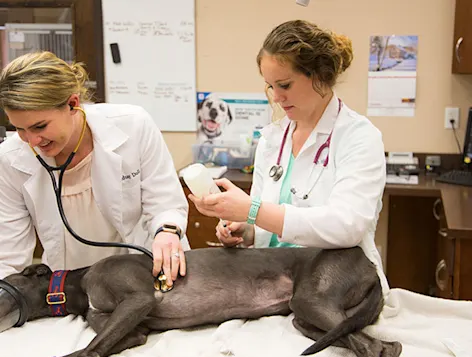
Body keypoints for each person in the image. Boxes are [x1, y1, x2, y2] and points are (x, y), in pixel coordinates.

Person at [189, 20, 389, 295]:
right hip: (272, 281)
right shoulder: (273, 139)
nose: (276, 97)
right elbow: (266, 224)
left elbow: (347, 227)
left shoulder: (359, 137)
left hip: (333, 286)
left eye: (285, 85)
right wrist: (245, 230)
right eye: (270, 86)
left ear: (319, 75)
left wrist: (253, 210)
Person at [0, 51, 188, 287]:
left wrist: (167, 233)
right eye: (20, 129)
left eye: (40, 126)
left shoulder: (133, 126)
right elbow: (8, 256)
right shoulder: (10, 159)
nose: (32, 140)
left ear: (72, 104)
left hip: (147, 272)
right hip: (71, 287)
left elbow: (165, 202)